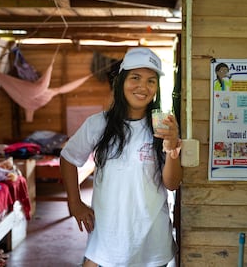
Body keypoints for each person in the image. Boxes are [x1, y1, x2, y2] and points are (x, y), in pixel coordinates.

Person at [60, 47, 183, 267]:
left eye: (151, 81)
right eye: (135, 77)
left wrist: (172, 147)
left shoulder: (162, 127)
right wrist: (74, 202)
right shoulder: (98, 124)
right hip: (107, 236)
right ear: (121, 81)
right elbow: (68, 157)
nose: (142, 87)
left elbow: (172, 184)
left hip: (152, 238)